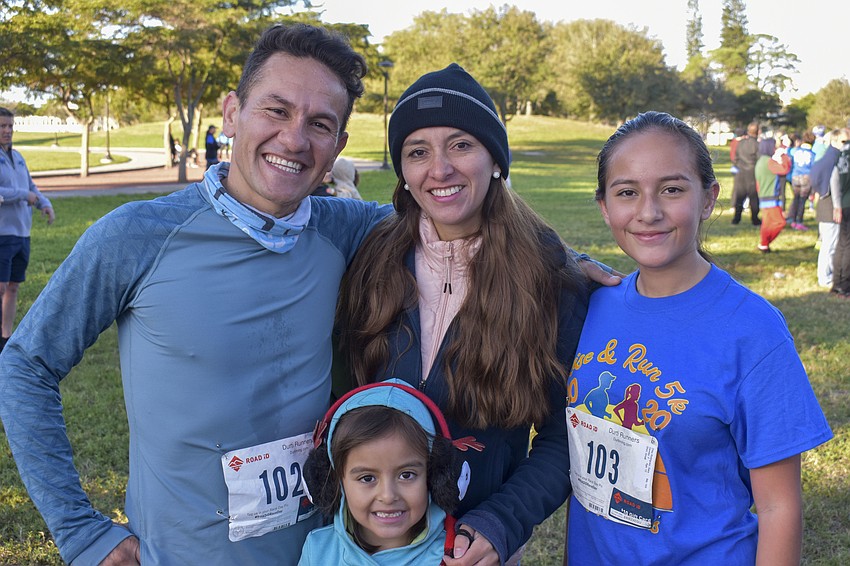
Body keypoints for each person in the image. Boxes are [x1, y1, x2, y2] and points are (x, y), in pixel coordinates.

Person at [0, 23, 388, 565]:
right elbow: (25, 362)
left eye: (319, 124)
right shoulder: (138, 235)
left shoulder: (343, 229)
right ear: (232, 113)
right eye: (276, 110)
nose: (295, 139)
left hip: (321, 553)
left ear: (338, 147)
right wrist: (80, 530)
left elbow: (450, 215)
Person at [336, 63, 591, 566]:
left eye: (460, 145)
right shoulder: (369, 260)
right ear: (403, 173)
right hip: (364, 548)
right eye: (417, 152)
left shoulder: (551, 281)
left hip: (473, 551)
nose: (440, 169)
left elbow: (567, 440)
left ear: (495, 158)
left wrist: (499, 523)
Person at [564, 111, 832, 565]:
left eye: (672, 189)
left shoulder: (752, 331)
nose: (648, 212)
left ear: (708, 198)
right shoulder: (593, 305)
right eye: (627, 192)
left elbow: (778, 506)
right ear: (605, 206)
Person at [300, 379, 470, 565]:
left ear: (434, 477)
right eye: (367, 478)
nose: (388, 496)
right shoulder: (318, 550)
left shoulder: (458, 556)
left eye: (406, 475)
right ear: (336, 482)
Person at [0, 107, 55, 353]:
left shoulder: (19, 157)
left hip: (22, 233)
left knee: (13, 286)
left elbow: (30, 185)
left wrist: (44, 203)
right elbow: (13, 192)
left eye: (10, 126)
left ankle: (5, 336)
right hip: (2, 233)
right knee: (0, 287)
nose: (8, 131)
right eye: (2, 126)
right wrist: (26, 196)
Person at [812, 129, 850, 287]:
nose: (845, 146)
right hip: (830, 207)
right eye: (843, 142)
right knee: (830, 245)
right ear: (834, 141)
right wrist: (836, 206)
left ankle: (825, 276)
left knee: (829, 244)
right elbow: (833, 183)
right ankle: (825, 277)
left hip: (825, 206)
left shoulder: (824, 157)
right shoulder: (832, 159)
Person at [754, 136, 791, 253]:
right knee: (780, 222)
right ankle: (765, 243)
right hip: (771, 197)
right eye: (775, 146)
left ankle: (764, 245)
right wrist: (784, 156)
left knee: (766, 223)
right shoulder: (769, 162)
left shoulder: (760, 161)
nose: (776, 149)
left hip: (763, 196)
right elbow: (784, 169)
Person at [830, 135, 850, 297]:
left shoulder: (842, 152)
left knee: (842, 243)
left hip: (843, 203)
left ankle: (836, 282)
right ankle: (845, 286)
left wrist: (837, 204)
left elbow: (834, 179)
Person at [730, 122, 760, 225]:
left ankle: (736, 218)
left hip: (740, 170)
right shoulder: (757, 144)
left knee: (740, 195)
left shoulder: (741, 143)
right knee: (753, 196)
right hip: (752, 171)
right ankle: (755, 219)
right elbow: (759, 159)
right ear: (757, 132)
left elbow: (736, 157)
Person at [788, 130, 817, 230]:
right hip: (806, 177)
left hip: (795, 176)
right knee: (802, 200)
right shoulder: (812, 154)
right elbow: (813, 168)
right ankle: (799, 221)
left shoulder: (796, 151)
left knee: (796, 198)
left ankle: (792, 219)